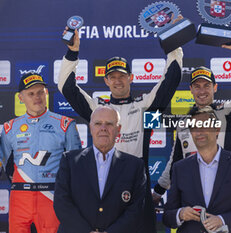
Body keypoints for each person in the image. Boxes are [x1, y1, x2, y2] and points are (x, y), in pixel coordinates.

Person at [58, 18, 183, 232]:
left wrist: (173, 45)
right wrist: (72, 53)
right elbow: (66, 87)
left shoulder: (145, 108)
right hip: (102, 186)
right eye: (112, 77)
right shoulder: (97, 110)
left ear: (131, 78)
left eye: (122, 76)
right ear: (106, 81)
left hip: (137, 185)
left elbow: (171, 79)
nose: (117, 81)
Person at [153, 32, 231, 203]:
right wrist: (158, 192)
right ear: (191, 89)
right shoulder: (183, 123)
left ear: (215, 87)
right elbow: (175, 162)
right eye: (197, 86)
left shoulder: (227, 113)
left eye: (207, 85)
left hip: (223, 196)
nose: (202, 91)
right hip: (191, 197)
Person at [0, 72, 82, 233]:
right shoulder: (9, 128)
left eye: (40, 92)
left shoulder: (65, 125)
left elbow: (77, 169)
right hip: (19, 198)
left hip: (51, 196)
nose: (37, 97)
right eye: (31, 94)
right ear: (20, 98)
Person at [163, 106, 231, 233]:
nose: (199, 132)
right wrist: (180, 214)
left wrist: (222, 220)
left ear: (217, 130)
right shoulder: (180, 168)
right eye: (194, 127)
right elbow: (167, 216)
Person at [54, 106, 146, 233]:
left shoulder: (135, 166)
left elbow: (136, 209)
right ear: (91, 127)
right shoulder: (69, 161)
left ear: (118, 129)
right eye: (98, 123)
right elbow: (61, 203)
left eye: (109, 124)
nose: (103, 128)